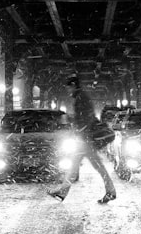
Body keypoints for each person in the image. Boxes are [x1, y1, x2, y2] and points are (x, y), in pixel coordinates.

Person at [48, 75, 117, 204]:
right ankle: (110, 191)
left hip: (85, 138)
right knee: (87, 165)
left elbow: (84, 118)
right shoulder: (81, 97)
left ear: (73, 86)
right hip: (85, 137)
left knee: (86, 165)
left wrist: (72, 121)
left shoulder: (80, 98)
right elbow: (86, 117)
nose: (68, 90)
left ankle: (110, 191)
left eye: (69, 87)